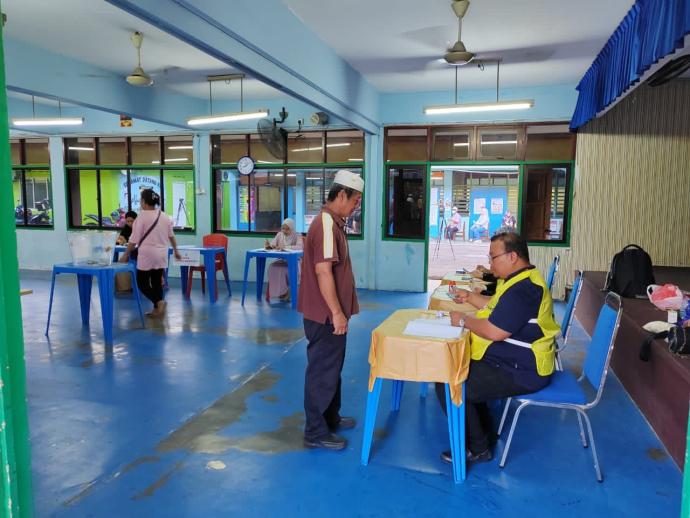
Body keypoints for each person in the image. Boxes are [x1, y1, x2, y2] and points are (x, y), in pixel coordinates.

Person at [436, 232, 560, 464]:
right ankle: (484, 434)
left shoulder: (524, 289)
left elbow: (494, 331)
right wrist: (469, 297)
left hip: (524, 370)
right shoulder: (517, 280)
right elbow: (494, 307)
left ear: (512, 256)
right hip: (511, 361)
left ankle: (478, 448)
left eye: (493, 257)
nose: (490, 263)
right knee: (460, 368)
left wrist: (462, 320)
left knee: (449, 380)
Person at [298, 169, 364, 451]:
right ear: (340, 195)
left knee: (331, 368)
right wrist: (337, 313)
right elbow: (323, 271)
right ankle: (315, 432)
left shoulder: (334, 223)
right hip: (325, 316)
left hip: (329, 314)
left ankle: (330, 418)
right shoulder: (325, 223)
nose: (356, 206)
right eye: (355, 201)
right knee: (322, 370)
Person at [121, 189, 181, 317]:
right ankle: (156, 309)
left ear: (143, 201)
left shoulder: (141, 217)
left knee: (142, 283)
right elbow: (171, 236)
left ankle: (159, 302)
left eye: (141, 200)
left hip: (147, 254)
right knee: (156, 282)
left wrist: (125, 254)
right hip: (162, 254)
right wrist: (176, 251)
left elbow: (134, 239)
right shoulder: (164, 216)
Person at [265, 218, 303, 301]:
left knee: (290, 270)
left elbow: (300, 247)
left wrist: (285, 247)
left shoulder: (297, 235)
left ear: (292, 228)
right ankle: (281, 292)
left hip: (294, 262)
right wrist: (270, 246)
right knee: (272, 267)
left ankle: (288, 291)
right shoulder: (279, 234)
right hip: (282, 260)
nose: (284, 231)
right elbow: (273, 244)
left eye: (287, 229)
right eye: (283, 228)